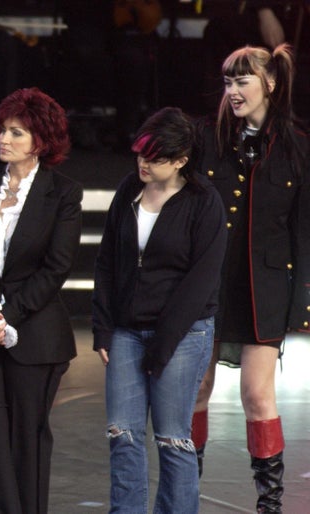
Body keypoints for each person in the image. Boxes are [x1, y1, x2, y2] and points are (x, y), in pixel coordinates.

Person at [191, 44, 310, 513]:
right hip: (210, 286)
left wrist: (303, 302)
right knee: (196, 388)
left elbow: (303, 231)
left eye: (243, 81)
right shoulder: (207, 139)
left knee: (257, 393)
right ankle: (186, 488)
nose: (233, 91)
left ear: (271, 83)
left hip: (265, 289)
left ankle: (270, 505)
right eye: (228, 82)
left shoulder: (298, 148)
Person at [92, 107, 227, 513]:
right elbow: (107, 262)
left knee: (172, 439)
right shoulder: (128, 190)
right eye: (140, 153)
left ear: (182, 160)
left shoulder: (204, 202)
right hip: (126, 331)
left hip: (184, 336)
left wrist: (164, 344)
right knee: (123, 437)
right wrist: (103, 328)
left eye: (154, 157)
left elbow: (199, 284)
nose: (142, 163)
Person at [0, 87, 82, 514]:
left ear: (41, 143)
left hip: (36, 336)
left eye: (17, 133)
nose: (3, 139)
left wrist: (9, 316)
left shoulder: (62, 193)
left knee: (26, 442)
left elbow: (57, 266)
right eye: (3, 130)